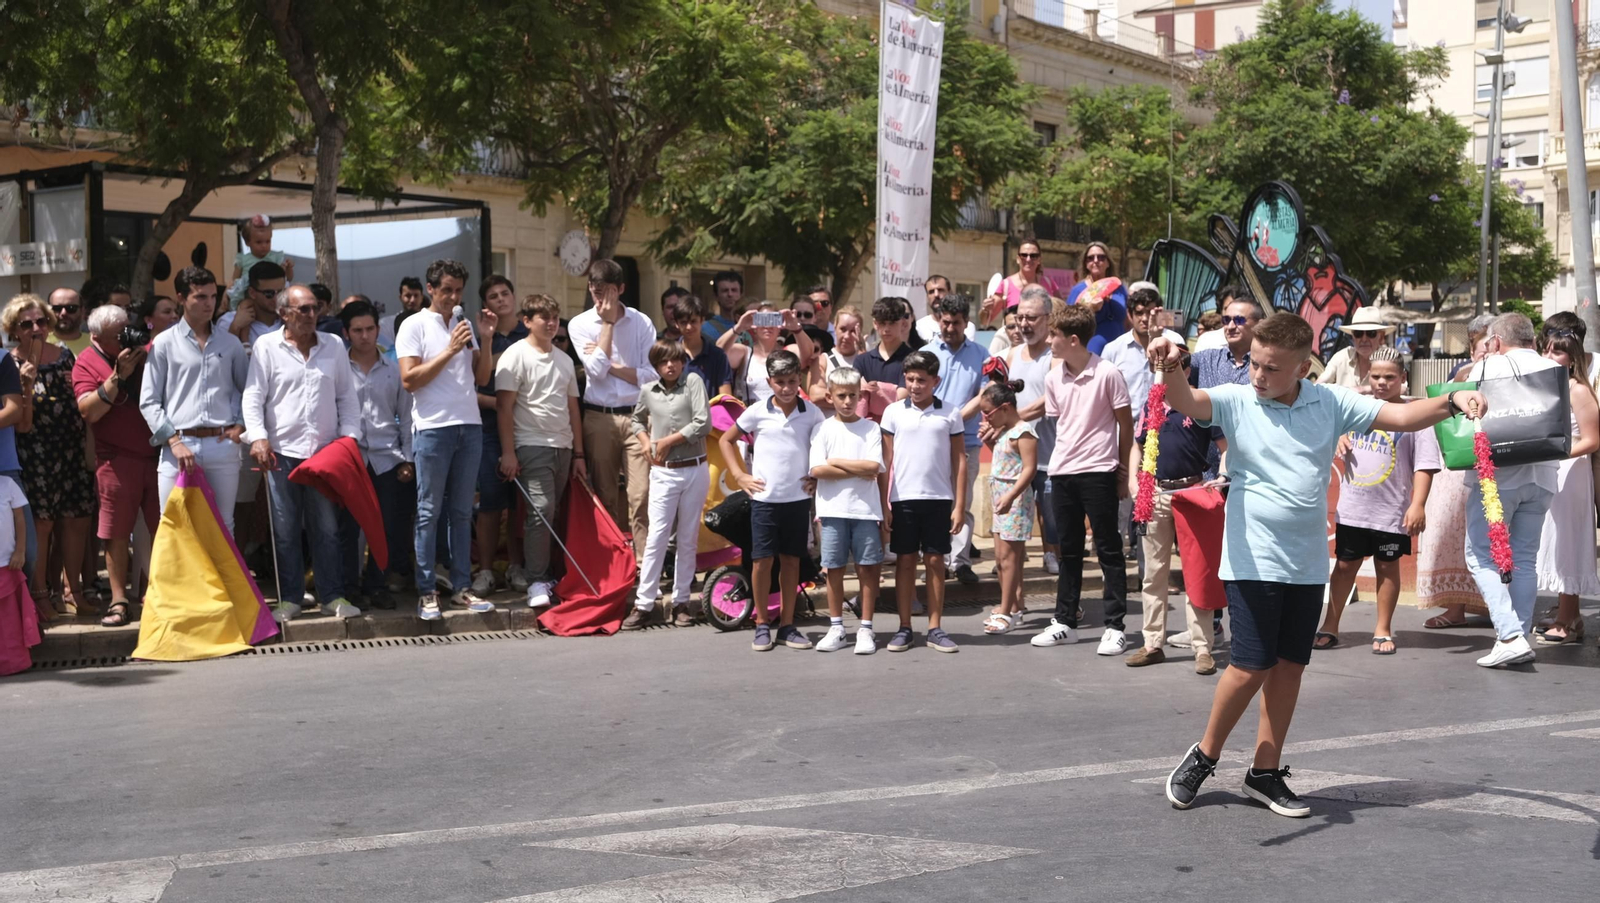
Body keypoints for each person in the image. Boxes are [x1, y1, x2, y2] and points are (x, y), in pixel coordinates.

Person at [1153, 313, 1486, 817]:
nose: (1258, 375)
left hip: (1307, 564)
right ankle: (1205, 755)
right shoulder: (1237, 399)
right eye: (1255, 364)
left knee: (1290, 666)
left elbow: (1400, 417)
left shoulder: (1329, 402)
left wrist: (1453, 399)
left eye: (1271, 368)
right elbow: (1186, 400)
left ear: (1302, 368)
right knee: (1250, 665)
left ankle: (1264, 772)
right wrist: (1169, 366)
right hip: (1252, 559)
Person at [243, 286, 362, 622]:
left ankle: (332, 596)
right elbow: (253, 397)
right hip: (280, 452)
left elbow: (347, 397)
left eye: (315, 308)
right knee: (285, 530)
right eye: (304, 309)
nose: (312, 315)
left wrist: (349, 439)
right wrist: (258, 438)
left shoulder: (334, 345)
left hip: (324, 454)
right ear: (284, 314)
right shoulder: (267, 346)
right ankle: (290, 599)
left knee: (327, 528)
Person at [1313, 346, 1440, 655]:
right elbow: (1324, 428)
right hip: (1352, 510)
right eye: (1376, 376)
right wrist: (1338, 435)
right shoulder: (1353, 409)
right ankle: (1330, 625)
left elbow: (1424, 465)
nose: (1382, 383)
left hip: (1391, 512)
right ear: (1367, 376)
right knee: (1345, 566)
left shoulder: (1416, 416)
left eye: (1389, 377)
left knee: (1387, 566)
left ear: (1403, 377)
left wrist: (1418, 504)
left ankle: (1383, 629)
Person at [1025, 304, 1134, 655]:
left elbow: (1126, 426)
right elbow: (1062, 424)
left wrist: (1122, 472)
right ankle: (1064, 622)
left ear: (1073, 339)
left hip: (1099, 471)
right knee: (1068, 551)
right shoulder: (1053, 378)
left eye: (1054, 335)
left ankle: (1115, 627)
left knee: (1109, 550)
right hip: (1062, 472)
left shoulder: (1108, 373)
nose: (1049, 341)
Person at [396, 258, 497, 620]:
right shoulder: (413, 325)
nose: (453, 298)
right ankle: (426, 592)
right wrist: (450, 350)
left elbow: (481, 378)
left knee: (462, 512)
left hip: (469, 425)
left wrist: (486, 338)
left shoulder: (462, 322)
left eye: (458, 291)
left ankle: (461, 588)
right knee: (428, 512)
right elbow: (410, 379)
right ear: (430, 289)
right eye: (446, 290)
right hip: (433, 428)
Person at [1460, 313, 1563, 668]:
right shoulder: (1552, 367)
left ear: (1496, 341)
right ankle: (1519, 635)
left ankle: (1509, 635)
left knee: (1481, 556)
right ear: (1532, 339)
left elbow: (1465, 411)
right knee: (1524, 558)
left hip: (1498, 475)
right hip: (1544, 472)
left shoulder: (1488, 366)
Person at [1122, 349, 1226, 673]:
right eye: (1162, 366)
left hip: (1191, 491)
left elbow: (1225, 447)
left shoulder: (1199, 402)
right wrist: (1134, 480)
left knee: (1197, 573)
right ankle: (1153, 643)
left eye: (1174, 365)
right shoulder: (1151, 403)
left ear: (1185, 368)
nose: (1167, 370)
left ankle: (1202, 648)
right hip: (1155, 492)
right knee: (1153, 573)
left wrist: (1222, 476)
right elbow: (1138, 445)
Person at [719, 350, 822, 652]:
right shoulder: (756, 411)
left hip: (797, 500)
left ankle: (787, 625)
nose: (786, 388)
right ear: (769, 382)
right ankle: (762, 623)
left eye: (792, 381)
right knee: (762, 561)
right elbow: (726, 439)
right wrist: (739, 475)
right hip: (764, 500)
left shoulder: (812, 413)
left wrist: (816, 476)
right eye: (780, 382)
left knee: (791, 561)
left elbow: (820, 450)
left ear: (800, 379)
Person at [1178, 288, 1263, 650]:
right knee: (1210, 554)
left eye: (1239, 319)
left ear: (1257, 325)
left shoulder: (1267, 364)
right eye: (1226, 319)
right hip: (1209, 475)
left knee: (1246, 552)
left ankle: (1250, 628)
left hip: (1252, 473)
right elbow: (1178, 372)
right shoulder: (1207, 359)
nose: (1230, 325)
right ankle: (1210, 626)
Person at [5, 295, 95, 615]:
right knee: (42, 523)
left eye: (41, 322)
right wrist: (27, 385)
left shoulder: (65, 356)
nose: (36, 329)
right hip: (36, 453)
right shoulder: (11, 364)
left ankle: (73, 592)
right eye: (26, 324)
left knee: (76, 519)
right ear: (14, 330)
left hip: (71, 448)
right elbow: (22, 425)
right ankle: (40, 593)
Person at [140, 267, 248, 533]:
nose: (209, 303)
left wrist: (241, 425)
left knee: (223, 526)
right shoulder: (164, 343)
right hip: (177, 444)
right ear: (181, 298)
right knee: (173, 526)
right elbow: (148, 401)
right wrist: (174, 442)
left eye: (212, 296)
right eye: (200, 297)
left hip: (222, 444)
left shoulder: (231, 344)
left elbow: (250, 390)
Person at [495, 293, 583, 611]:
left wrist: (579, 455)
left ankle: (549, 575)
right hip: (531, 444)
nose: (551, 323)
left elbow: (573, 409)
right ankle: (536, 580)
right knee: (541, 510)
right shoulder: (513, 355)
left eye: (554, 317)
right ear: (527, 321)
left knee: (551, 512)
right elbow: (504, 407)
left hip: (563, 447)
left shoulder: (565, 360)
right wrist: (508, 452)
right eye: (544, 317)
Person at [72, 304, 158, 628]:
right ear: (96, 337)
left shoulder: (145, 351)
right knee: (116, 533)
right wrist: (118, 376)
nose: (126, 339)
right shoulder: (86, 361)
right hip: (116, 460)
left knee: (165, 528)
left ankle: (162, 594)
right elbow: (89, 411)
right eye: (117, 336)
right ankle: (119, 600)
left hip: (158, 455)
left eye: (127, 330)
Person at [880, 350, 967, 654]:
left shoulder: (951, 413)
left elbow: (960, 460)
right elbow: (886, 461)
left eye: (922, 380)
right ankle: (904, 627)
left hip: (939, 499)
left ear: (935, 381)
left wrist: (959, 505)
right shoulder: (893, 412)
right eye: (910, 379)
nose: (915, 386)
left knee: (935, 561)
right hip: (902, 499)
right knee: (904, 562)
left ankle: (935, 628)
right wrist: (884, 503)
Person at [622, 340, 710, 630]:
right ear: (656, 366)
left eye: (674, 360)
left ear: (682, 361)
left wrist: (668, 441)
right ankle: (644, 603)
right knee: (657, 536)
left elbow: (703, 422)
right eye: (663, 361)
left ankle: (681, 602)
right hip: (664, 471)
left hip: (695, 467)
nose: (670, 365)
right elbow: (636, 420)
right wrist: (645, 441)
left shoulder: (693, 382)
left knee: (687, 537)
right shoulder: (649, 390)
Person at [1414, 315, 1495, 628]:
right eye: (1483, 346)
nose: (1488, 352)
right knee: (1456, 535)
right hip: (1460, 466)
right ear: (1472, 348)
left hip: (1496, 464)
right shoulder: (1462, 374)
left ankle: (1495, 607)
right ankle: (1455, 608)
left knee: (1494, 538)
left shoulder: (1506, 373)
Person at [570, 258, 656, 552]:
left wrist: (612, 366)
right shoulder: (580, 324)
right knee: (605, 495)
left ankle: (643, 563)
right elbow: (595, 371)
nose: (602, 302)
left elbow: (651, 376)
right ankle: (615, 560)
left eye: (607, 294)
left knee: (640, 495)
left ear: (621, 289)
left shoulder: (641, 322)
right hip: (599, 417)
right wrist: (607, 324)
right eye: (596, 293)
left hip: (637, 416)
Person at [337, 299, 415, 609]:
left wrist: (407, 458)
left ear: (378, 329)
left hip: (387, 457)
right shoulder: (338, 370)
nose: (365, 336)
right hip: (351, 458)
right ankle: (349, 586)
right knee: (348, 527)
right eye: (357, 330)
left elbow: (406, 417)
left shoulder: (394, 370)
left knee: (385, 527)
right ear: (346, 333)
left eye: (370, 329)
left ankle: (377, 585)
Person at [1531, 318, 1600, 646]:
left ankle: (1568, 621)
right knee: (1554, 541)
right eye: (1545, 350)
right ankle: (1569, 614)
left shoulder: (1579, 390)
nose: (1549, 356)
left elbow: (1592, 440)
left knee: (1568, 543)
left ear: (1571, 357)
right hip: (1549, 471)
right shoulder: (1547, 386)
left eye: (1556, 352)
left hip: (1571, 474)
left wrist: (1557, 452)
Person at [808, 366, 885, 654]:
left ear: (860, 395)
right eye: (841, 395)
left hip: (865, 511)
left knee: (867, 569)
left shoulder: (871, 428)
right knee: (834, 569)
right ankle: (837, 627)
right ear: (830, 396)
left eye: (853, 395)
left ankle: (866, 628)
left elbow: (874, 466)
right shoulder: (822, 428)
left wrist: (836, 461)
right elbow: (817, 470)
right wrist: (858, 469)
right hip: (832, 511)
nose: (848, 401)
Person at [471, 275, 530, 596]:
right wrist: (502, 405)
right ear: (486, 304)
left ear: (513, 296)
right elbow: (472, 390)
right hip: (489, 430)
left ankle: (517, 566)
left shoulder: (529, 333)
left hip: (527, 428)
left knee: (520, 503)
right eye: (493, 296)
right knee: (491, 501)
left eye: (505, 293)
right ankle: (485, 570)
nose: (501, 299)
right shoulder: (479, 337)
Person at [929, 293, 987, 586]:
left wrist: (953, 421)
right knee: (935, 503)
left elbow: (984, 395)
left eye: (956, 323)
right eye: (945, 322)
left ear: (966, 323)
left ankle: (961, 562)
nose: (950, 328)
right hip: (931, 442)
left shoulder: (981, 354)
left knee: (963, 502)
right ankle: (937, 558)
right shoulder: (927, 353)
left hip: (967, 441)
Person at [977, 366, 1037, 636]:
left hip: (1014, 500)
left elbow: (1028, 469)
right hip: (1001, 497)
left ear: (1004, 408)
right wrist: (989, 442)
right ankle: (1013, 605)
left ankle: (1006, 612)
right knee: (1001, 558)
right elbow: (1005, 459)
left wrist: (1010, 496)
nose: (986, 418)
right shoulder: (1004, 432)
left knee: (1011, 558)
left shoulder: (1024, 432)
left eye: (988, 413)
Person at [1003, 287, 1059, 575]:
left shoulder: (1056, 356)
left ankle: (1053, 555)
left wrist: (1015, 420)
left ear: (1048, 318)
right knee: (1015, 514)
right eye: (1020, 317)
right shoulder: (1011, 355)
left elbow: (1051, 400)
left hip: (1050, 454)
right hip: (1016, 456)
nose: (1024, 324)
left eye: (1031, 318)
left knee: (1051, 514)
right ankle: (1011, 565)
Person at [718, 301, 812, 405]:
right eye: (762, 320)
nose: (768, 325)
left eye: (773, 320)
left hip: (784, 413)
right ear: (754, 326)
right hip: (750, 413)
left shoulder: (788, 352)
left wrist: (796, 328)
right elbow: (718, 351)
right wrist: (739, 327)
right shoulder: (744, 353)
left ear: (780, 326)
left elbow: (808, 354)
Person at [978, 240, 1064, 332]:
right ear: (1018, 259)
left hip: (1044, 337)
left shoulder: (1048, 283)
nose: (1028, 259)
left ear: (1039, 260)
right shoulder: (1006, 285)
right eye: (1024, 255)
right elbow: (985, 321)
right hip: (1017, 337)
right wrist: (985, 309)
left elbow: (1062, 313)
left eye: (1033, 256)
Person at [854, 298, 914, 422]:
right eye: (882, 323)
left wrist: (873, 390)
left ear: (902, 323)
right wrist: (889, 391)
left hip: (901, 425)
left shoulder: (913, 359)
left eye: (892, 323)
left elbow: (901, 398)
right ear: (875, 324)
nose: (887, 328)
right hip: (867, 428)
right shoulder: (862, 360)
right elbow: (855, 396)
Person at [1065, 241, 1128, 355]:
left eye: (1101, 257)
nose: (1095, 260)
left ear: (1108, 263)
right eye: (1090, 258)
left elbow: (1128, 319)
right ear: (1085, 264)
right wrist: (1091, 309)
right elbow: (1068, 322)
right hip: (1091, 352)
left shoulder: (1119, 288)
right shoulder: (1078, 290)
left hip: (1120, 350)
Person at [1319, 307, 1395, 392]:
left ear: (1381, 336)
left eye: (1371, 333)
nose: (1364, 339)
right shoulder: (1341, 357)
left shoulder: (1390, 358)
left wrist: (1363, 390)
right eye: (1358, 333)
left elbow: (1402, 388)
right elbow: (1319, 385)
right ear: (1353, 337)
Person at [671, 295, 734, 398]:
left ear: (702, 320)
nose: (688, 327)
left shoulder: (718, 356)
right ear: (677, 324)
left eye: (693, 321)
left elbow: (725, 397)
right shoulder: (670, 354)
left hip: (710, 408)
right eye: (683, 322)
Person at [219, 261, 287, 349]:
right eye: (269, 293)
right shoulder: (229, 321)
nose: (276, 298)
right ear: (252, 293)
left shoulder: (292, 321)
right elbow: (221, 355)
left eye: (281, 292)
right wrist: (235, 328)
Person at [229, 213, 293, 303]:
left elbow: (287, 279)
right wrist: (227, 293)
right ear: (247, 242)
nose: (264, 245)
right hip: (248, 298)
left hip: (271, 296)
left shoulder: (275, 258)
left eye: (267, 241)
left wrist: (289, 268)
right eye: (259, 242)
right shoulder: (242, 260)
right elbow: (234, 281)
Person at [813, 305, 865, 401]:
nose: (846, 336)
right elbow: (815, 395)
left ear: (859, 332)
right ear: (835, 327)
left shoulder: (866, 360)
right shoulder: (824, 360)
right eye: (843, 329)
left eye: (853, 331)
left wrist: (863, 354)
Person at [914, 275, 975, 346]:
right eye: (931, 292)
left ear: (949, 292)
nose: (936, 295)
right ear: (927, 296)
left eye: (940, 290)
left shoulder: (966, 327)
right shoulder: (919, 326)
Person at [379, 276, 426, 350]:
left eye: (416, 295)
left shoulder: (431, 320)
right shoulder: (388, 324)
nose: (412, 300)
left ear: (422, 297)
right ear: (400, 297)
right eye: (408, 296)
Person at [702, 270, 745, 342]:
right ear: (716, 296)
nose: (730, 294)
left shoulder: (751, 325)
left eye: (734, 290)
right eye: (725, 290)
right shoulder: (706, 328)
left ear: (741, 294)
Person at [47, 287, 92, 355]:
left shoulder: (95, 344)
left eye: (71, 308)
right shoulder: (39, 344)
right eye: (57, 308)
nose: (63, 313)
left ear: (82, 311)